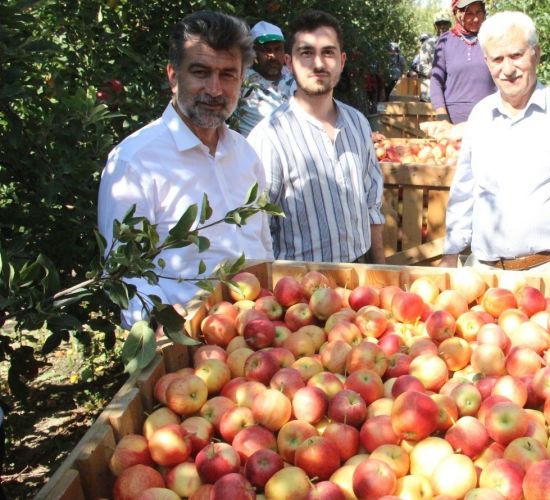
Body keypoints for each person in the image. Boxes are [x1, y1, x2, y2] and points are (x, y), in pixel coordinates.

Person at [98, 11, 274, 326]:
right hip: (184, 351)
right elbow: (121, 278)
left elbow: (262, 244)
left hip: (259, 336)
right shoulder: (135, 163)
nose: (216, 89)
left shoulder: (246, 155)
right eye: (201, 72)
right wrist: (162, 324)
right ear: (173, 76)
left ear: (241, 80)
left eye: (228, 74)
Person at [440, 11, 550, 275]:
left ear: (536, 53)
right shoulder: (480, 117)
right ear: (487, 62)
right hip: (487, 274)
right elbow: (464, 190)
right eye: (497, 59)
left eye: (516, 55)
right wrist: (450, 254)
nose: (508, 69)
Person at [248, 10, 386, 264]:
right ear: (289, 62)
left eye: (328, 52)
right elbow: (256, 229)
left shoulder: (358, 124)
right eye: (307, 52)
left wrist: (382, 273)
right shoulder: (270, 137)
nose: (319, 63)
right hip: (300, 289)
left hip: (362, 280)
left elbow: (372, 205)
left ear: (342, 60)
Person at [429, 0, 496, 125]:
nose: (476, 19)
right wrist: (443, 118)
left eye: (479, 12)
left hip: (489, 121)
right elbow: (436, 82)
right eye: (469, 13)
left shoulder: (492, 39)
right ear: (456, 13)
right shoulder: (445, 42)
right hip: (453, 121)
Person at [235, 20, 296, 136]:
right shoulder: (241, 79)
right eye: (266, 50)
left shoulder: (296, 77)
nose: (272, 56)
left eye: (277, 49)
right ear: (253, 52)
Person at [413, 12, 453, 101]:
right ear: (436, 26)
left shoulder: (455, 42)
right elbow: (421, 66)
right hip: (431, 89)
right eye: (439, 24)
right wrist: (438, 73)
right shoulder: (428, 44)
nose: (442, 26)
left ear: (449, 25)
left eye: (445, 23)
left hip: (451, 90)